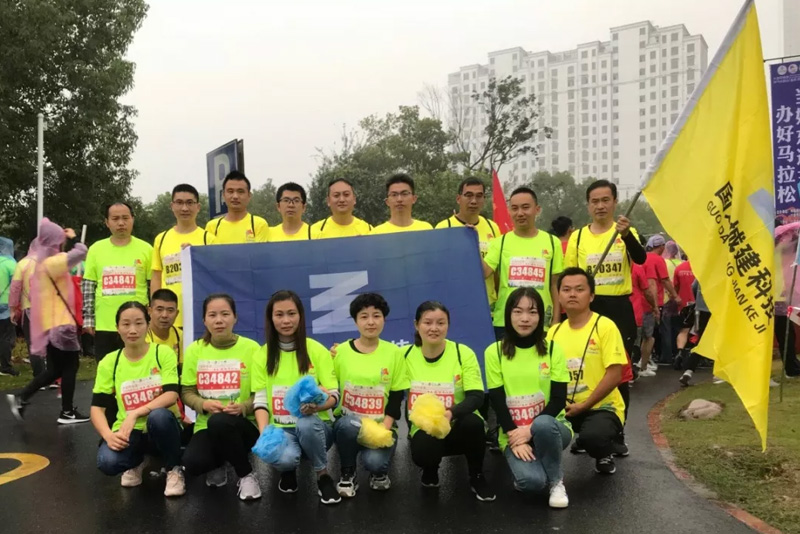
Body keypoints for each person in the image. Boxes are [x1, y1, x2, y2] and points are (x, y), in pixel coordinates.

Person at [251, 290, 341, 504]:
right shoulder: (262, 355)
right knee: (286, 459)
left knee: (306, 423)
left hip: (317, 428)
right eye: (279, 314)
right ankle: (288, 470)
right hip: (282, 429)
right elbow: (260, 401)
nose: (286, 320)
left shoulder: (316, 350)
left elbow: (334, 396)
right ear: (271, 318)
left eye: (291, 313)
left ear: (300, 316)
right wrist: (265, 434)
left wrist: (317, 407)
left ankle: (322, 475)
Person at [399, 301, 495, 502]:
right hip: (424, 426)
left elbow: (476, 396)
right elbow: (373, 360)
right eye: (428, 322)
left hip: (457, 421)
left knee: (474, 424)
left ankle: (477, 475)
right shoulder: (403, 355)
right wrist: (339, 351)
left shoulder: (463, 353)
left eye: (440, 323)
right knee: (423, 453)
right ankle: (430, 468)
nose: (434, 328)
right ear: (416, 325)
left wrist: (451, 413)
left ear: (448, 325)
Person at [485, 287, 571, 508]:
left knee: (543, 425)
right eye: (518, 311)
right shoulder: (494, 352)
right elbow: (497, 400)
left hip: (552, 427)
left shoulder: (553, 349)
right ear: (508, 315)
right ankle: (539, 468)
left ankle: (556, 482)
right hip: (513, 433)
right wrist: (515, 434)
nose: (525, 318)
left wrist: (529, 430)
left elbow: (558, 399)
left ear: (541, 316)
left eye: (532, 312)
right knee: (532, 483)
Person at [90, 301, 185, 497]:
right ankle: (138, 461)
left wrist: (135, 413)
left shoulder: (162, 353)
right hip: (130, 431)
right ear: (117, 328)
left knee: (158, 416)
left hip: (162, 425)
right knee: (107, 462)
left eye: (139, 323)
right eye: (126, 324)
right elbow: (97, 408)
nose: (132, 330)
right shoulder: (110, 362)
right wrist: (108, 435)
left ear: (148, 325)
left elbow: (171, 394)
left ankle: (174, 468)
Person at [6, 218, 91, 424]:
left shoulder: (40, 264)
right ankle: (67, 412)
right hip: (62, 325)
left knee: (54, 369)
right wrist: (74, 238)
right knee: (70, 366)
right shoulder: (53, 263)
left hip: (49, 324)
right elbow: (82, 252)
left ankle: (22, 397)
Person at [180, 293, 262, 500]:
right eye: (212, 315)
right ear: (204, 320)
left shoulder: (252, 348)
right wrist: (203, 404)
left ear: (235, 317)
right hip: (206, 425)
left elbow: (261, 393)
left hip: (244, 425)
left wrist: (243, 407)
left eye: (225, 314)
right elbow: (187, 392)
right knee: (193, 463)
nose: (219, 320)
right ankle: (222, 461)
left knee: (220, 422)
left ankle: (246, 475)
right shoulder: (195, 350)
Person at [548, 267, 628, 475]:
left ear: (591, 295)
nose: (572, 294)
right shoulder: (554, 332)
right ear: (559, 296)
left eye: (579, 289)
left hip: (601, 407)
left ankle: (604, 451)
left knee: (595, 437)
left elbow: (615, 375)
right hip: (565, 407)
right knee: (538, 428)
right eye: (566, 290)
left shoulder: (605, 327)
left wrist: (584, 405)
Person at [332, 293, 405, 497]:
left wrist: (383, 430)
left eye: (376, 315)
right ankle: (348, 472)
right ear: (355, 321)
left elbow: (397, 395)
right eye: (364, 316)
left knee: (375, 462)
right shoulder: (340, 352)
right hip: (349, 423)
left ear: (384, 319)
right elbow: (330, 386)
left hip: (381, 425)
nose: (371, 322)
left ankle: (378, 473)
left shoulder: (394, 353)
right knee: (347, 426)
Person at [483, 187, 563, 339]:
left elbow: (555, 285)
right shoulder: (500, 243)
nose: (520, 213)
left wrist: (556, 320)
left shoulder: (553, 243)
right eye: (514, 208)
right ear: (509, 211)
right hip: (505, 322)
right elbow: (485, 272)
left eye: (525, 207)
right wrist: (471, 241)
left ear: (537, 209)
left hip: (541, 322)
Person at [83, 202, 153, 362]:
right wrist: (88, 319)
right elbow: (88, 287)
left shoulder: (147, 249)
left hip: (137, 326)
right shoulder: (96, 249)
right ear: (107, 222)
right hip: (105, 325)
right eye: (115, 219)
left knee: (139, 369)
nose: (121, 223)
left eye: (125, 218)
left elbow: (152, 286)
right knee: (107, 370)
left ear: (133, 219)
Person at [151, 184, 215, 328]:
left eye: (189, 203)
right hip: (168, 316)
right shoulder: (161, 239)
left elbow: (213, 277)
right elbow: (156, 276)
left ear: (198, 207)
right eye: (179, 202)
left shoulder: (209, 239)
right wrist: (155, 309)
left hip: (199, 313)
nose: (185, 208)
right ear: (172, 206)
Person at [435, 177, 501, 307]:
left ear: (484, 199)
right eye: (468, 195)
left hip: (487, 305)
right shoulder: (443, 227)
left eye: (479, 196)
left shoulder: (493, 228)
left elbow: (495, 273)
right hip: (455, 304)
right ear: (458, 198)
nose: (474, 201)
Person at [640, 235, 680, 375]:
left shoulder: (643, 258)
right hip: (652, 301)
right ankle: (644, 364)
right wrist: (675, 295)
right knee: (650, 335)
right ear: (662, 246)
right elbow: (664, 280)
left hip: (638, 300)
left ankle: (643, 361)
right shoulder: (658, 260)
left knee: (642, 334)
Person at [205, 171, 269, 244]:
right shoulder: (212, 227)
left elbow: (259, 251)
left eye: (240, 191)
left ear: (249, 195)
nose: (235, 196)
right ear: (223, 195)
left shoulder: (259, 225)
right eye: (230, 191)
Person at [9, 240, 43, 376]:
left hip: (30, 308)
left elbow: (15, 288)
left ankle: (40, 375)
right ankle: (53, 375)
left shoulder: (23, 264)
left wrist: (13, 308)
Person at [679, 281, 713, 386]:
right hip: (716, 309)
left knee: (701, 340)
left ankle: (689, 370)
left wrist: (699, 301)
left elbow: (693, 286)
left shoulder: (703, 272)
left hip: (701, 309)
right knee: (719, 339)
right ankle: (719, 373)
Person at [146, 289, 182, 365]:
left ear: (177, 313)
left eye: (170, 310)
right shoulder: (142, 337)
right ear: (150, 311)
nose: (164, 315)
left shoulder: (180, 336)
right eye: (159, 309)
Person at [0, 237, 18, 376]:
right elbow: (17, 286)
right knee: (7, 337)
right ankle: (5, 367)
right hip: (6, 305)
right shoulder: (12, 264)